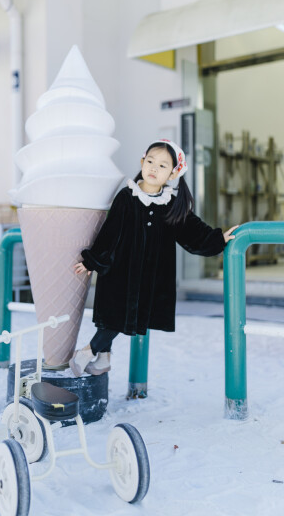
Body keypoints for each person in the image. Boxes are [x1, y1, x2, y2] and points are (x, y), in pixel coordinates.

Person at [69, 139, 238, 377]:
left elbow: (193, 233)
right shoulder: (126, 197)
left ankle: (88, 352)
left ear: (172, 173)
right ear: (142, 162)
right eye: (150, 161)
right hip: (119, 273)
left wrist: (218, 238)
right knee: (112, 315)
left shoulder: (171, 205)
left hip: (148, 278)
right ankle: (102, 357)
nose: (153, 168)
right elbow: (109, 232)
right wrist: (93, 260)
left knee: (123, 317)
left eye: (162, 165)